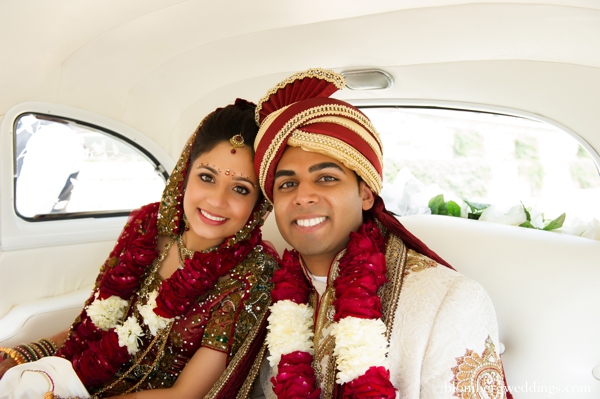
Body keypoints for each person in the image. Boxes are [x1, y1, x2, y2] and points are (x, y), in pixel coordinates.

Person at [247, 69, 512, 399]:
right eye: (287, 184)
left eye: (326, 178)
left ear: (366, 194)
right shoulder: (262, 296)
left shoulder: (448, 300)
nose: (303, 196)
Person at [0, 99, 279, 399]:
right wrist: (30, 352)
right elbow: (93, 326)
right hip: (76, 376)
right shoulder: (148, 229)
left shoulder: (252, 274)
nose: (216, 200)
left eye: (240, 188)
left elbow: (184, 395)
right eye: (207, 177)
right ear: (186, 173)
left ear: (259, 203)